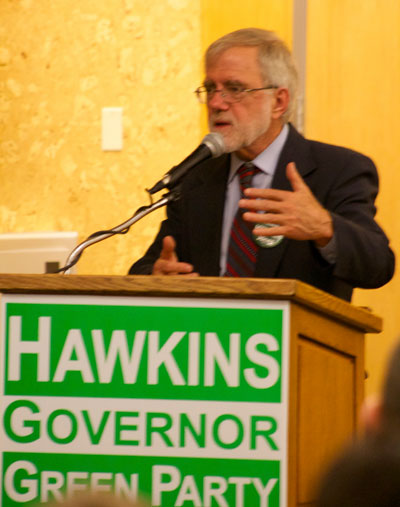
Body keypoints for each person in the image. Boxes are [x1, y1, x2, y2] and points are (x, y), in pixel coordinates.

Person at [129, 28, 395, 301]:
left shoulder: (338, 170)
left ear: (278, 102)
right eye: (210, 89)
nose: (216, 102)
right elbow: (147, 268)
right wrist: (157, 277)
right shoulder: (196, 178)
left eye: (234, 88)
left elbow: (378, 266)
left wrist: (325, 228)